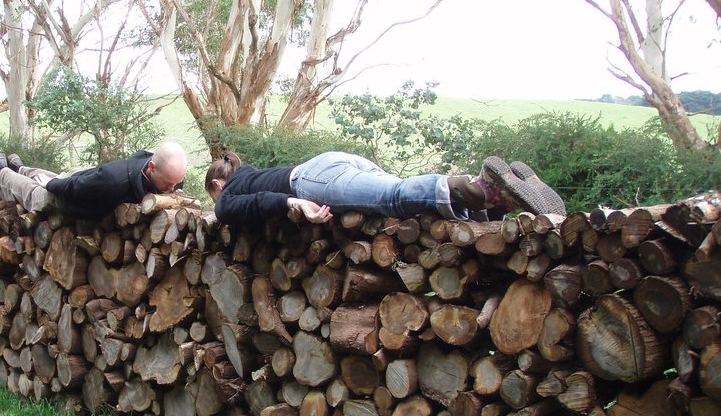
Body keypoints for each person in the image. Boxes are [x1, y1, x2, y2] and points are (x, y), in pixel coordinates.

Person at [204, 150, 565, 227]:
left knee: (393, 197)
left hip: (312, 180)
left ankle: (484, 188)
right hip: (331, 162)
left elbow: (229, 210)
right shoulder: (251, 173)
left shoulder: (230, 190)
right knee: (397, 190)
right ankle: (494, 208)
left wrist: (292, 203)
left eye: (213, 194)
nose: (216, 202)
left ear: (218, 183)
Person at [0, 140, 188, 220]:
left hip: (93, 180)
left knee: (52, 177)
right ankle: (1, 172)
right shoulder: (114, 181)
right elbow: (74, 186)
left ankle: (19, 167)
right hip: (80, 187)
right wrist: (51, 185)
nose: (173, 188)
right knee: (38, 194)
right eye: (168, 183)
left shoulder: (171, 175)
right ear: (151, 168)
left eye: (176, 182)